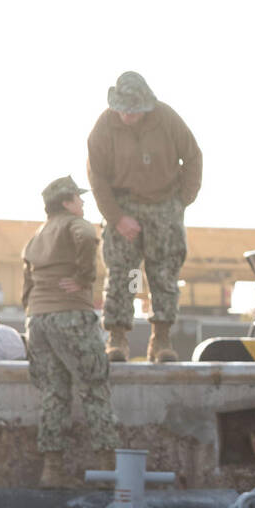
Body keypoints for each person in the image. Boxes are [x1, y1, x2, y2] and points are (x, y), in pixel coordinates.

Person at [87, 71, 202, 363]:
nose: (127, 116)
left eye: (133, 111)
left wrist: (180, 203)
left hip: (164, 206)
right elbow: (96, 177)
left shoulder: (166, 119)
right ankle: (117, 339)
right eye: (123, 110)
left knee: (164, 275)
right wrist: (116, 217)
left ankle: (161, 340)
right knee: (123, 275)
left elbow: (193, 157)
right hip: (122, 206)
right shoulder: (104, 126)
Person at [22, 176, 120, 489]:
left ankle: (52, 471)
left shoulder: (37, 235)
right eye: (78, 199)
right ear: (66, 202)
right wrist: (84, 277)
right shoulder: (73, 224)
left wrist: (34, 306)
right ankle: (107, 470)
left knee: (54, 392)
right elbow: (89, 237)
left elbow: (26, 281)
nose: (82, 203)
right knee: (93, 386)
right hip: (70, 316)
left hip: (38, 320)